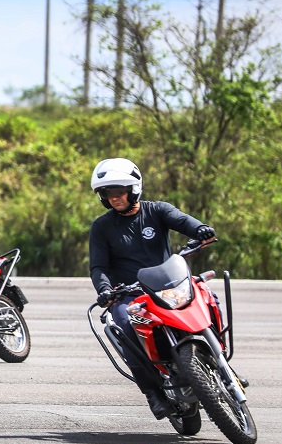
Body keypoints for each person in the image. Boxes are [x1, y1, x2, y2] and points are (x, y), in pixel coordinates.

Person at [88, 157, 219, 420]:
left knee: (208, 297)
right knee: (123, 327)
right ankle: (152, 393)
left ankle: (220, 361)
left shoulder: (157, 210)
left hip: (168, 286)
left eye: (119, 191)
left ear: (134, 188)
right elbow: (98, 267)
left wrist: (200, 229)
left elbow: (181, 220)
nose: (114, 197)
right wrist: (104, 289)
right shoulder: (102, 227)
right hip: (129, 295)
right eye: (107, 193)